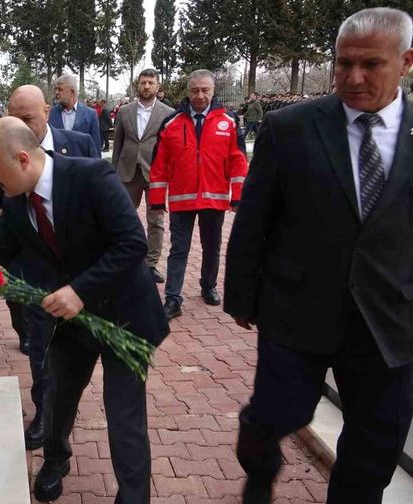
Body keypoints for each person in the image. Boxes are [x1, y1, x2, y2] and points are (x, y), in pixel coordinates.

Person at [0, 117, 168, 504]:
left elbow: (131, 244)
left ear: (23, 159)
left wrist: (80, 290)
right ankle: (56, 459)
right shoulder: (15, 202)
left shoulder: (92, 176)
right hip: (73, 323)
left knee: (125, 420)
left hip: (124, 318)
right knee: (58, 400)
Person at [224, 8, 413, 504]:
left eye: (371, 65)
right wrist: (242, 297)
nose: (353, 78)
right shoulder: (290, 128)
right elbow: (254, 220)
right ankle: (259, 467)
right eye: (343, 63)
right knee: (273, 416)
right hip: (296, 309)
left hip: (391, 322)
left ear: (406, 62)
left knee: (374, 450)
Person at [0, 84, 101, 452]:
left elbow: (101, 210)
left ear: (46, 111)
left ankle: (62, 415)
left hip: (83, 282)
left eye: (29, 118)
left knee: (79, 362)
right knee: (39, 349)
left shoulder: (79, 144)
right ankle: (45, 417)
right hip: (34, 272)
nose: (24, 125)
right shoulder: (6, 153)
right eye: (16, 118)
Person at [149, 69, 248, 320]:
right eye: (195, 90)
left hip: (214, 198)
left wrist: (237, 196)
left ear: (213, 91)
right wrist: (157, 199)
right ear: (188, 91)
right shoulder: (171, 123)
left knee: (212, 247)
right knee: (178, 249)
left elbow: (238, 162)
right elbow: (159, 165)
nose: (200, 95)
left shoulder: (229, 121)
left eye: (205, 90)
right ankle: (173, 298)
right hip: (182, 199)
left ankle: (208, 286)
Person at [112, 68, 173, 285]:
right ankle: (126, 260)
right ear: (137, 85)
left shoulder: (168, 113)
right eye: (143, 82)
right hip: (127, 172)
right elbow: (117, 143)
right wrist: (113, 171)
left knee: (155, 220)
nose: (146, 86)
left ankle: (151, 264)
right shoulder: (124, 111)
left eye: (150, 83)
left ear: (158, 86)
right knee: (123, 217)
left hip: (156, 174)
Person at [48, 74, 102, 150]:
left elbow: (95, 146)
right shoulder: (50, 113)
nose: (56, 92)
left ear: (72, 92)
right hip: (58, 161)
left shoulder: (90, 114)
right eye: (55, 89)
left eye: (60, 89)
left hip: (81, 161)